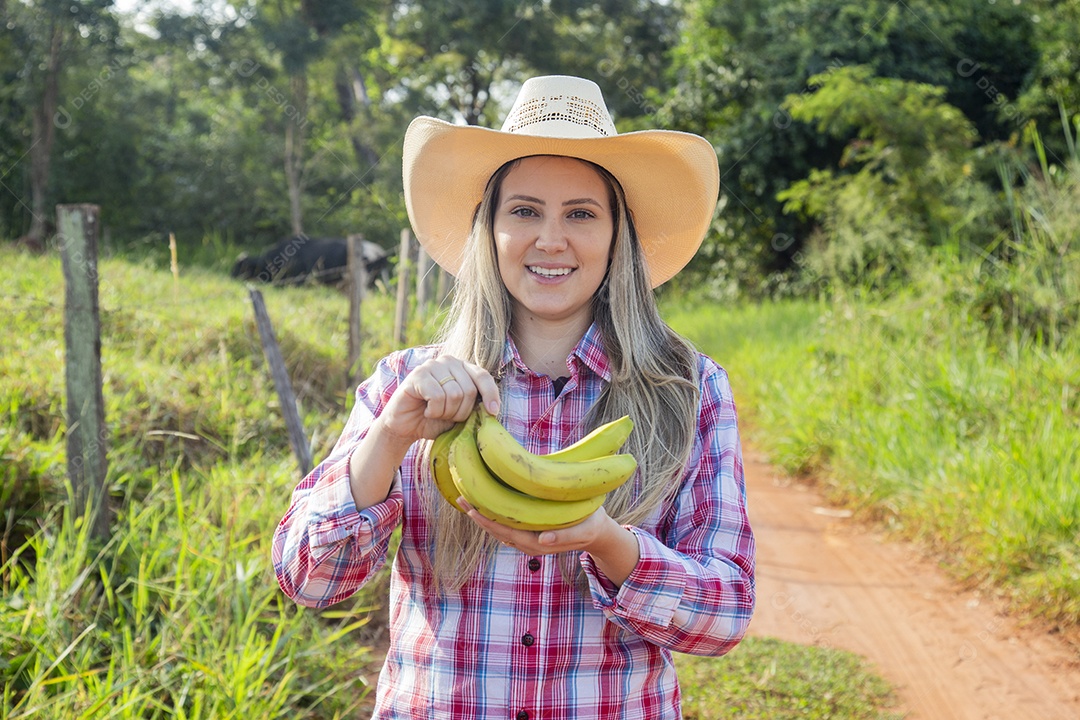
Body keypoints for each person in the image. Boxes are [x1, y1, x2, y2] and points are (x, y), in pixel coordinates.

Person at [273, 75, 755, 719]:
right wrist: (389, 438)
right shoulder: (405, 384)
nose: (550, 240)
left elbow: (724, 616)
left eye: (581, 213)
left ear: (618, 236)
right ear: (489, 229)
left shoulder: (688, 390)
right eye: (524, 210)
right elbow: (309, 580)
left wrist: (609, 543)